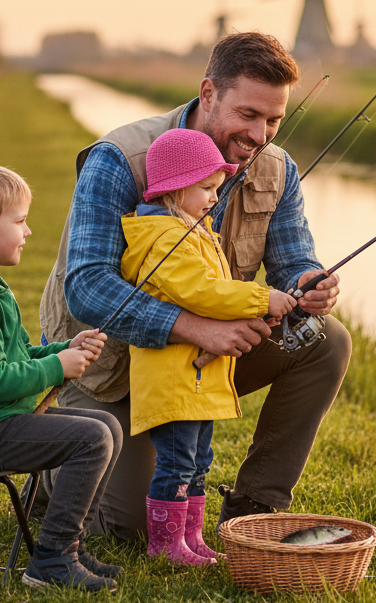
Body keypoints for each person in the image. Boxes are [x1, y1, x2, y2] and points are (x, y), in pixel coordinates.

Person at [41, 31, 352, 541]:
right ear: (208, 93)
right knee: (129, 529)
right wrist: (197, 328)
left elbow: (293, 259)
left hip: (202, 357)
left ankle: (254, 508)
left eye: (274, 119)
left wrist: (309, 282)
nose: (260, 134)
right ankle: (55, 469)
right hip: (109, 367)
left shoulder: (278, 168)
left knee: (326, 338)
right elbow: (88, 287)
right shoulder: (120, 157)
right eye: (248, 114)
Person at [121, 128, 297, 565]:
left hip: (196, 381)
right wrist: (261, 299)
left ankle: (191, 538)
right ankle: (165, 547)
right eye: (206, 188)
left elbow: (213, 295)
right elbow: (202, 291)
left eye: (217, 188)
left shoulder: (192, 230)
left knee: (199, 461)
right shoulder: (164, 239)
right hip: (175, 381)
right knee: (177, 463)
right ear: (175, 188)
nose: (215, 198)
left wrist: (248, 316)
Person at [0, 159, 123, 592]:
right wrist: (57, 368)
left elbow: (18, 355)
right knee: (92, 438)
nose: (28, 231)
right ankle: (52, 559)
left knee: (107, 425)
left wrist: (63, 349)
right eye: (20, 221)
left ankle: (71, 545)